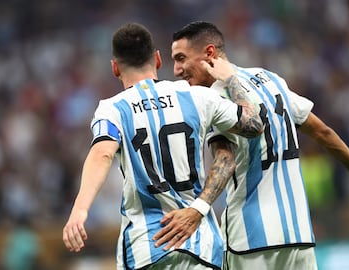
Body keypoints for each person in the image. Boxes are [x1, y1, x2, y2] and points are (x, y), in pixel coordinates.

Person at [153, 21, 349, 270]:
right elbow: (322, 131)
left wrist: (197, 210)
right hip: (298, 236)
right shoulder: (270, 79)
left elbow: (225, 159)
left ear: (209, 53)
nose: (177, 70)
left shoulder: (212, 98)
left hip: (250, 237)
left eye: (181, 58)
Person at [62, 22, 264, 270]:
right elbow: (254, 124)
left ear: (115, 67)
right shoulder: (197, 96)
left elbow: (103, 152)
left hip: (147, 248)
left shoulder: (112, 109)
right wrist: (231, 78)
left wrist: (80, 210)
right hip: (201, 246)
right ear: (158, 59)